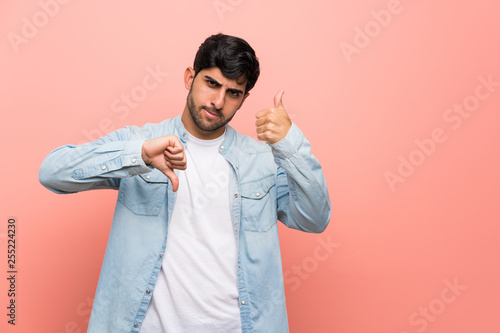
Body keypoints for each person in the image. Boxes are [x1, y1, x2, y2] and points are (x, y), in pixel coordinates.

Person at [39, 33, 331, 333]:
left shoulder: (263, 160)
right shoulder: (142, 142)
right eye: (211, 83)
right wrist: (138, 155)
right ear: (189, 77)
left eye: (232, 93)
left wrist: (290, 145)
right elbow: (52, 172)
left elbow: (315, 218)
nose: (218, 102)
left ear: (243, 99)